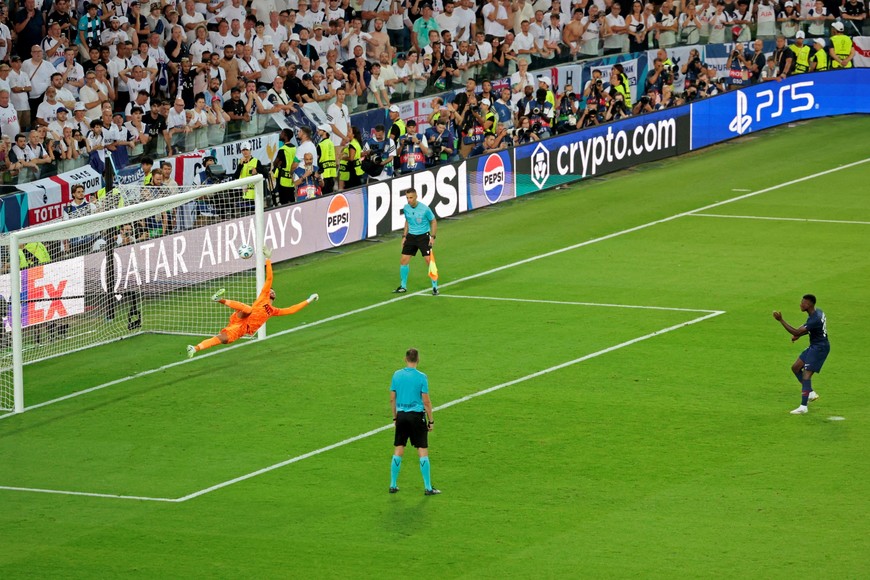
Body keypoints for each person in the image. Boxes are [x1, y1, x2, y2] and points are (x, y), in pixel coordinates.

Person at [187, 246, 319, 358]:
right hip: (242, 316)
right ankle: (219, 299)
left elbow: (291, 310)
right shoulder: (263, 296)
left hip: (241, 329)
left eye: (273, 291)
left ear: (275, 296)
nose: (271, 291)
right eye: (270, 290)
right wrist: (268, 259)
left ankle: (195, 348)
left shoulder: (273, 311)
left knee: (223, 339)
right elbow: (269, 279)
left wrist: (309, 300)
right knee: (249, 310)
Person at [389, 347, 439, 496]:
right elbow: (426, 402)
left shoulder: (396, 375)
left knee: (399, 448)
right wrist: (431, 421)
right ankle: (428, 487)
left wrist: (395, 417)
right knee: (422, 450)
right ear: (418, 360)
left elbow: (392, 398)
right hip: (417, 417)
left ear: (405, 359)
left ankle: (393, 484)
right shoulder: (421, 377)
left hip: (402, 415)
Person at [773, 294, 829, 415]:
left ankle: (803, 406)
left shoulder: (814, 318)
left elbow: (797, 330)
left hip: (819, 348)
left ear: (809, 304)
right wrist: (798, 335)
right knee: (796, 367)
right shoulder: (817, 312)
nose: (800, 304)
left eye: (803, 302)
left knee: (806, 376)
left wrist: (781, 320)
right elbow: (806, 328)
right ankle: (811, 393)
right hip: (815, 346)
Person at [394, 188, 438, 295]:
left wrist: (433, 237)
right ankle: (403, 286)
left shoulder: (424, 209)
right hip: (411, 237)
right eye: (407, 198)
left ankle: (435, 287)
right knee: (403, 260)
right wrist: (404, 236)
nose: (409, 200)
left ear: (416, 197)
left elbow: (433, 221)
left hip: (423, 237)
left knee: (429, 261)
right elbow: (407, 221)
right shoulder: (406, 208)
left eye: (411, 198)